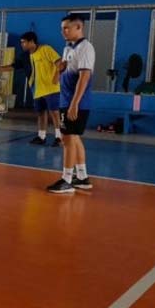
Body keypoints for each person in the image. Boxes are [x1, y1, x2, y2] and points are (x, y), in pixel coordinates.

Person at [47, 14, 95, 194]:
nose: (63, 31)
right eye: (62, 28)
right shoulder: (68, 48)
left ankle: (66, 179)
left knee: (67, 139)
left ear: (79, 28)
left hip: (75, 103)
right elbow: (59, 76)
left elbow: (84, 76)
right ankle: (82, 177)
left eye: (67, 28)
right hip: (65, 100)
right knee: (73, 137)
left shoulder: (85, 48)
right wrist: (58, 71)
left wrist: (74, 104)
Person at [0, 32, 63, 146]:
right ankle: (41, 136)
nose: (22, 44)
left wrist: (57, 76)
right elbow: (12, 67)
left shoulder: (46, 49)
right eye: (21, 42)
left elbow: (59, 62)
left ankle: (59, 137)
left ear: (32, 42)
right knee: (41, 113)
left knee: (54, 112)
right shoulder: (24, 56)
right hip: (37, 89)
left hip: (51, 88)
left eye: (24, 42)